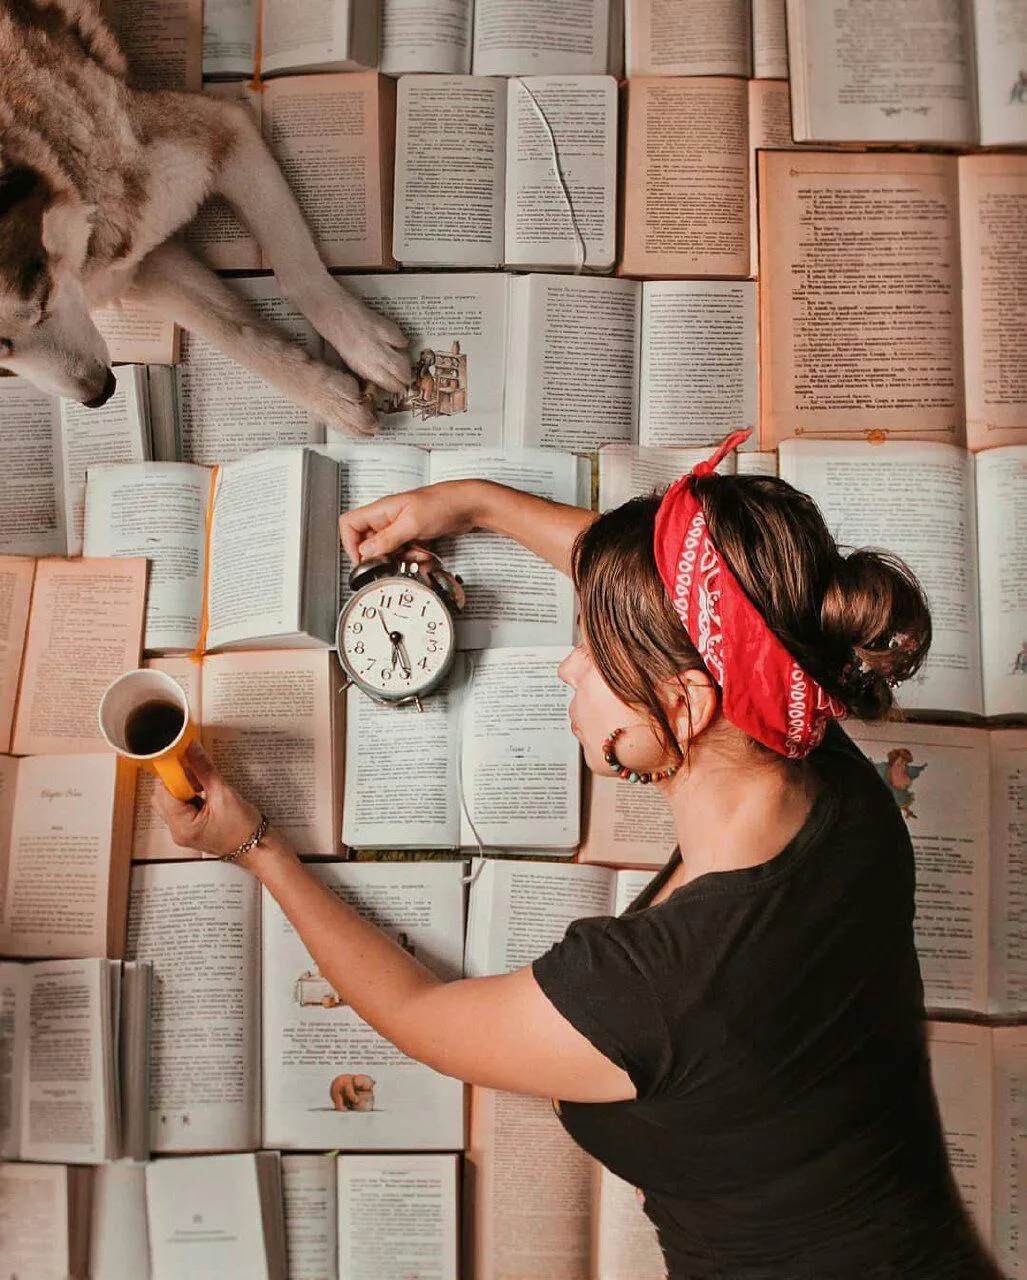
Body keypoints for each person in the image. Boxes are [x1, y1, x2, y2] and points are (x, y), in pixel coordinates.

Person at [153, 431, 1005, 1279]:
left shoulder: (651, 988)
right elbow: (681, 598)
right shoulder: (832, 778)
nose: (568, 666)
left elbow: (420, 1019)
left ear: (683, 703)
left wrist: (259, 849)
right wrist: (474, 502)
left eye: (596, 656)